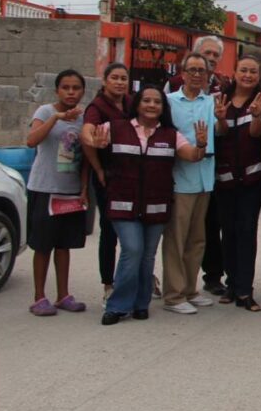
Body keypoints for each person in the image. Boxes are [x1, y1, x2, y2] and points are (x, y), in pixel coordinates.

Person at [86, 86, 208, 325]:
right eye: (147, 101)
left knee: (147, 256)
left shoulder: (171, 135)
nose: (152, 105)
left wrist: (201, 146)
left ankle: (141, 304)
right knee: (132, 250)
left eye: (157, 102)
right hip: (123, 204)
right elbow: (89, 139)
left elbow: (192, 156)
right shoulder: (116, 128)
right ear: (137, 104)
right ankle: (118, 305)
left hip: (156, 205)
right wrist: (99, 155)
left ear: (163, 108)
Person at [163, 52, 226, 315]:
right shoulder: (170, 102)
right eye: (193, 70)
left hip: (205, 177)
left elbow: (220, 132)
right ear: (183, 72)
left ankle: (190, 289)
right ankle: (174, 294)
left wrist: (222, 118)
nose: (198, 75)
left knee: (197, 239)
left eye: (203, 71)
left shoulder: (211, 101)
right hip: (181, 178)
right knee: (176, 240)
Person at [26, 70, 89, 316]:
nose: (71, 92)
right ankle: (39, 297)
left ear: (83, 91)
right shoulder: (45, 112)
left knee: (64, 246)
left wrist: (84, 188)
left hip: (70, 191)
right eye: (66, 87)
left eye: (76, 88)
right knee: (43, 246)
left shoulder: (84, 119)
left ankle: (63, 295)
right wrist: (57, 118)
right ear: (57, 90)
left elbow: (85, 159)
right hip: (44, 189)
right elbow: (32, 140)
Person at [213, 56, 261, 311]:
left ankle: (245, 290)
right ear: (234, 72)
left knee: (247, 231)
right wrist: (221, 118)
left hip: (252, 180)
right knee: (228, 232)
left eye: (253, 72)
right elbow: (221, 133)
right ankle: (231, 284)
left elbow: (257, 134)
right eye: (244, 70)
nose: (248, 75)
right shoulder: (220, 100)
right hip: (224, 180)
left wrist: (256, 116)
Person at [81, 62, 131, 303]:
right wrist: (98, 167)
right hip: (109, 178)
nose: (120, 82)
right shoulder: (97, 107)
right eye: (115, 78)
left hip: (132, 177)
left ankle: (136, 277)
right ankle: (108, 283)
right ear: (105, 81)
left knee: (135, 232)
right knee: (110, 232)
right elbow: (86, 135)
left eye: (123, 78)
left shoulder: (130, 103)